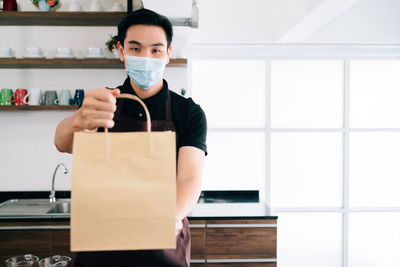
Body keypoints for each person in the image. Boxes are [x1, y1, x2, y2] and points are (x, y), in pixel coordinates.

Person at [54, 8, 207, 267]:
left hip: (162, 241)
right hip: (103, 239)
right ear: (121, 51)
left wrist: (172, 217)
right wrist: (79, 120)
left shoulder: (188, 112)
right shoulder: (104, 101)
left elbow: (190, 176)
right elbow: (62, 142)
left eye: (156, 50)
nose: (146, 57)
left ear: (168, 54)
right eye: (135, 49)